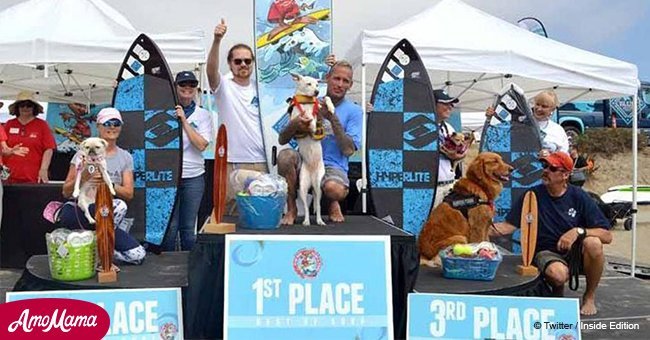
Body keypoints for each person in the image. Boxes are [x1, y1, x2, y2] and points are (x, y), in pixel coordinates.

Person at [492, 151, 612, 315]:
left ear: (565, 175)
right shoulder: (531, 195)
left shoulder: (579, 196)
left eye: (552, 168)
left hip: (574, 252)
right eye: (544, 166)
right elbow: (507, 226)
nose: (546, 170)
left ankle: (589, 296)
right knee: (558, 275)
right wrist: (474, 227)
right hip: (545, 251)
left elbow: (607, 235)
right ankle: (557, 290)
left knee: (594, 243)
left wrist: (577, 231)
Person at [56, 108, 145, 264]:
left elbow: (128, 193)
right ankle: (99, 248)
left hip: (106, 212)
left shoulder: (125, 157)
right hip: (82, 210)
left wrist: (106, 181)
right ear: (98, 126)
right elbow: (66, 191)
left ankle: (97, 248)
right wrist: (83, 176)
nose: (112, 127)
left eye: (116, 123)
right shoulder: (81, 155)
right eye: (107, 123)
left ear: (121, 126)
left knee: (138, 255)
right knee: (118, 207)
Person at [277, 60, 361, 224]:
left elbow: (349, 150)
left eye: (345, 81)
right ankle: (291, 208)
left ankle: (333, 203)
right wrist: (296, 123)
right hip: (305, 161)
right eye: (336, 78)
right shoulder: (306, 101)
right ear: (327, 78)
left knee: (333, 189)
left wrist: (332, 118)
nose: (340, 84)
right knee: (285, 156)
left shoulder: (355, 111)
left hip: (333, 166)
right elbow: (282, 139)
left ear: (350, 85)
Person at [206, 18, 268, 212]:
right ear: (230, 64)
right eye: (238, 61)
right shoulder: (223, 85)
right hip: (231, 162)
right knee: (230, 216)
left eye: (247, 61)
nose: (243, 64)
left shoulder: (263, 89)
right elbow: (210, 71)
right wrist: (217, 40)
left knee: (259, 214)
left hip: (261, 161)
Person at [161, 71, 214, 251]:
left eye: (191, 86)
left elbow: (201, 145)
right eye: (183, 85)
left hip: (193, 177)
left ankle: (189, 267)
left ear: (196, 90)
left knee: (188, 227)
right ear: (175, 88)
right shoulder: (163, 112)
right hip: (169, 176)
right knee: (170, 227)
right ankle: (166, 268)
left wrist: (184, 121)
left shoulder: (203, 115)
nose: (187, 89)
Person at [486, 89, 569, 156]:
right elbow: (499, 134)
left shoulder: (558, 131)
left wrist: (550, 156)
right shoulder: (520, 121)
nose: (539, 109)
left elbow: (564, 157)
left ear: (552, 109)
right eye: (537, 104)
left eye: (544, 106)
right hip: (520, 173)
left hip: (546, 174)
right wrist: (491, 117)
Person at [3, 90, 56, 183]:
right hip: (8, 176)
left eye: (29, 105)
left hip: (33, 176)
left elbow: (49, 149)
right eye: (22, 105)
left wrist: (44, 169)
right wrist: (11, 151)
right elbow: (2, 149)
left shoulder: (42, 125)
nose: (25, 107)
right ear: (17, 107)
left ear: (34, 107)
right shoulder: (9, 124)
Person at [432, 89, 464, 208]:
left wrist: (457, 156)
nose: (450, 107)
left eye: (451, 104)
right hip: (431, 188)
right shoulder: (420, 126)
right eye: (445, 103)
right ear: (433, 104)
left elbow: (461, 154)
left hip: (449, 185)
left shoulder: (449, 128)